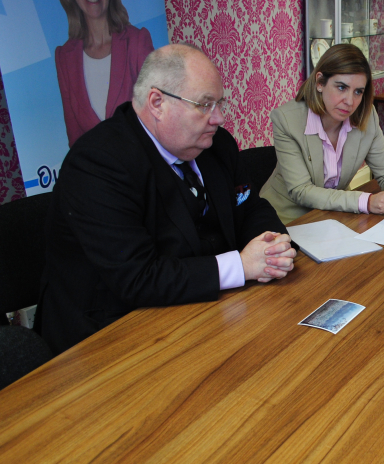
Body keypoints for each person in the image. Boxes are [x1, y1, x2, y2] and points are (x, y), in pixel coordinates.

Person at [39, 44, 296, 355]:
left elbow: (249, 205)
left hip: (207, 310)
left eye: (220, 103)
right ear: (157, 103)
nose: (218, 118)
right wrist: (241, 266)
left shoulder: (216, 145)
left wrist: (272, 247)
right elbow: (137, 277)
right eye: (205, 105)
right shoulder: (97, 164)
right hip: (110, 335)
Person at [259, 44, 384, 224]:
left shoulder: (367, 116)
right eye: (342, 87)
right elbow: (301, 191)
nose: (350, 101)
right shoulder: (287, 120)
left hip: (336, 214)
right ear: (320, 83)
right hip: (287, 219)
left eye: (358, 92)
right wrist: (366, 201)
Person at [56, 0, 154, 147]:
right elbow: (76, 141)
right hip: (95, 161)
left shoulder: (137, 40)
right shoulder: (64, 57)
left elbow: (156, 115)